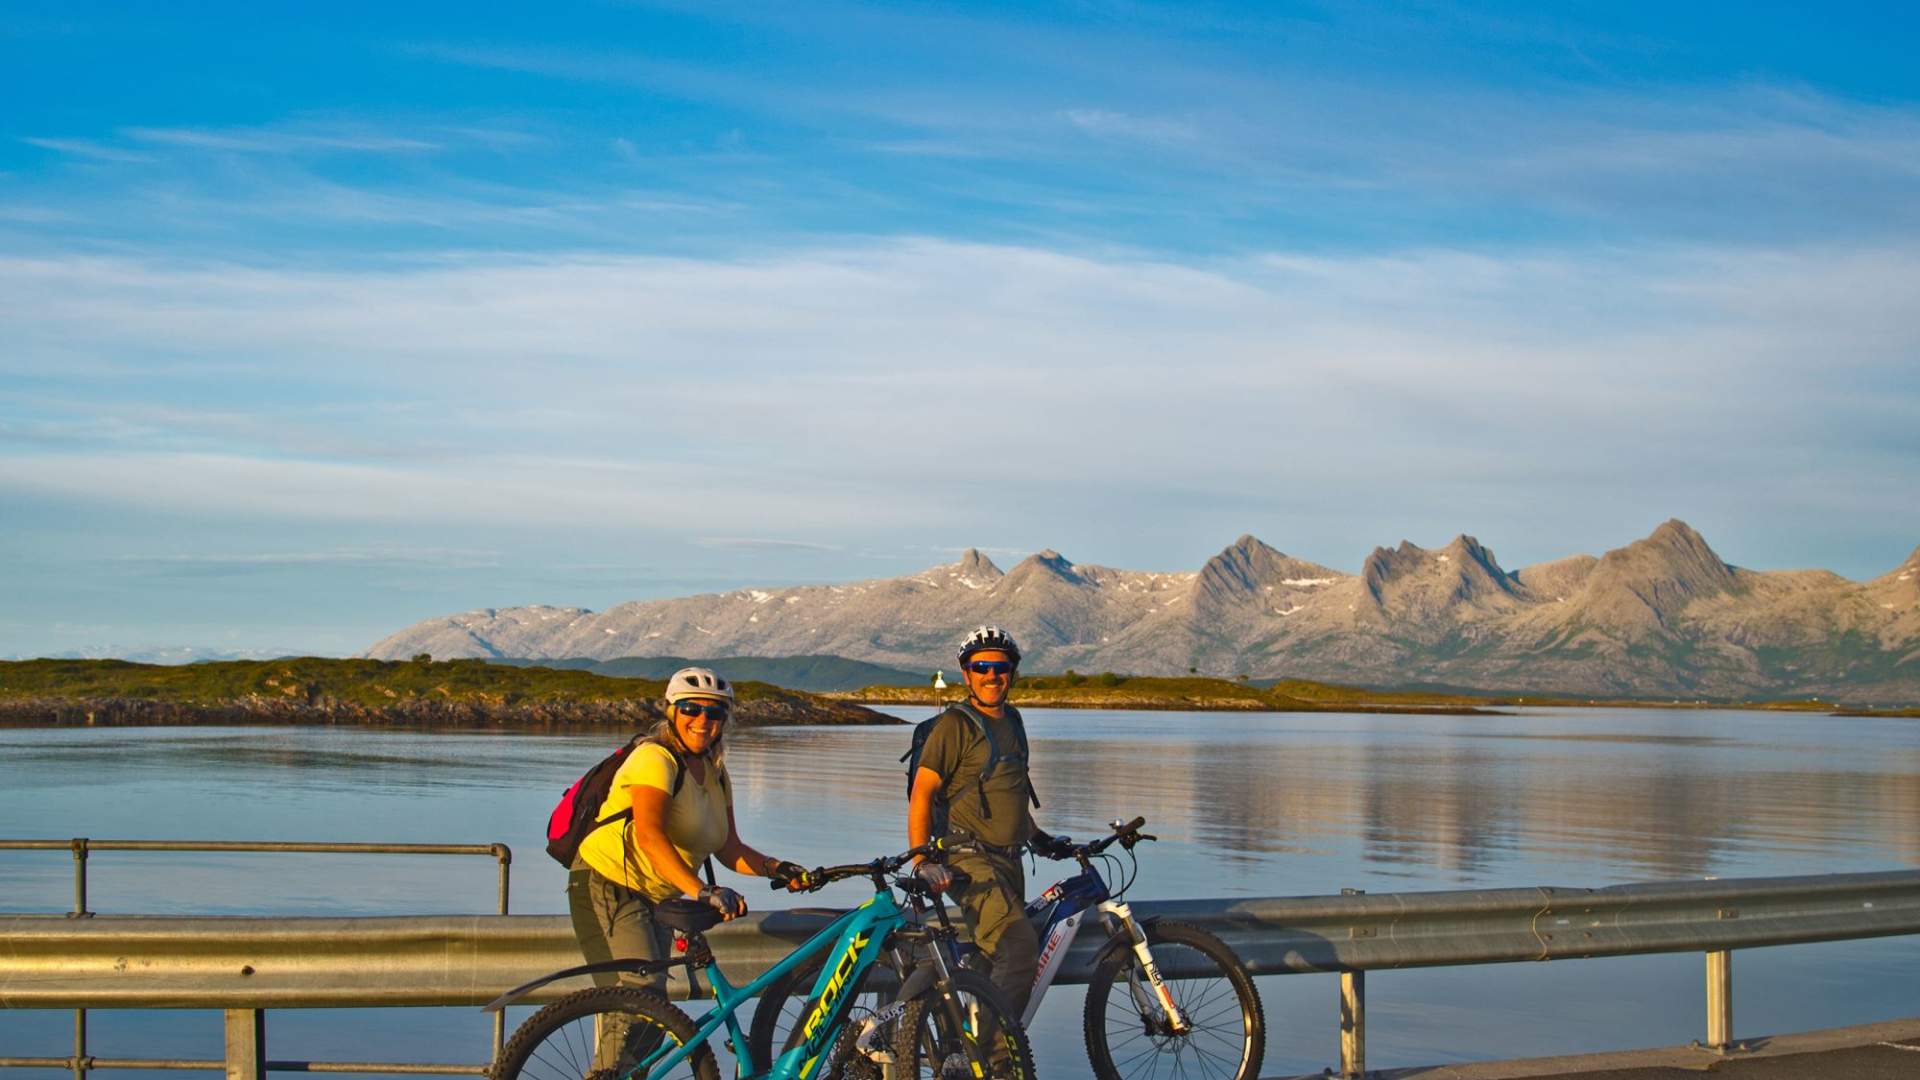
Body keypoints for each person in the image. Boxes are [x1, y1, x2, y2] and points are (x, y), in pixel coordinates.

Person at [569, 666, 805, 1071]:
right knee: (640, 994)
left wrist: (777, 868)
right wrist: (703, 890)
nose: (703, 720)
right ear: (671, 711)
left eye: (714, 712)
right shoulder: (655, 758)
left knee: (654, 1011)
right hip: (606, 883)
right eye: (692, 709)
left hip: (656, 894)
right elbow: (650, 836)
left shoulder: (716, 773)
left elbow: (729, 848)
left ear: (725, 720)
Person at [907, 626, 1069, 1018]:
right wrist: (921, 861)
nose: (992, 675)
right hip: (969, 860)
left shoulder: (1013, 720)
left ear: (1013, 673)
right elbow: (922, 795)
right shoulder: (954, 726)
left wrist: (1039, 837)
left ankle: (962, 1039)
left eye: (1001, 667)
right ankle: (998, 1052)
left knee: (990, 958)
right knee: (1018, 951)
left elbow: (1007, 790)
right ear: (967, 675)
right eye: (981, 667)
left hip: (1010, 860)